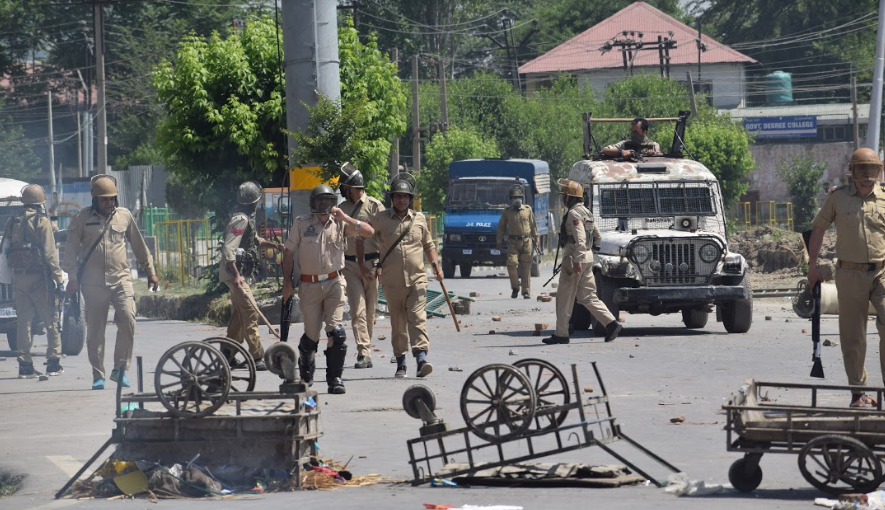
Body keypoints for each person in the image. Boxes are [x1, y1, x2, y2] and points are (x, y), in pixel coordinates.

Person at [63, 175, 158, 390]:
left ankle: (120, 370)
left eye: (112, 198)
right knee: (96, 332)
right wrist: (72, 278)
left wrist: (150, 271)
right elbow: (70, 251)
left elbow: (139, 246)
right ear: (95, 199)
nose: (109, 202)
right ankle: (98, 374)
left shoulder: (124, 216)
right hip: (92, 284)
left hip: (121, 280)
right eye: (105, 199)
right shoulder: (81, 219)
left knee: (128, 320)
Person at [807, 147, 885, 408]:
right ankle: (857, 393)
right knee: (853, 336)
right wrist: (812, 266)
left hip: (883, 272)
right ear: (852, 172)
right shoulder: (837, 198)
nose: (866, 173)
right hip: (849, 274)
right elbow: (818, 229)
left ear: (879, 171)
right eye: (861, 168)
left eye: (871, 168)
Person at [282, 184, 374, 394]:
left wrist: (347, 218)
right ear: (313, 203)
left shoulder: (340, 223)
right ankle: (306, 370)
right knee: (311, 336)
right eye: (320, 201)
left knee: (337, 332)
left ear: (334, 203)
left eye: (328, 201)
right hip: (309, 285)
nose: (324, 205)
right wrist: (287, 283)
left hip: (334, 283)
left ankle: (335, 379)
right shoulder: (301, 223)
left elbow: (369, 232)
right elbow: (288, 252)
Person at [370, 174, 441, 378]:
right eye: (398, 196)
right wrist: (368, 262)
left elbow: (429, 245)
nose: (401, 200)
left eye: (405, 196)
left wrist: (436, 265)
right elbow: (365, 238)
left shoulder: (419, 220)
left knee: (418, 318)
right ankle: (401, 363)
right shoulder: (381, 220)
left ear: (410, 199)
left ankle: (421, 359)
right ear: (392, 198)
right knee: (398, 324)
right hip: (392, 283)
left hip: (417, 279)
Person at [543, 179, 622, 345]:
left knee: (564, 297)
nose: (563, 200)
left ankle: (561, 333)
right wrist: (588, 254)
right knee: (588, 296)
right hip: (586, 257)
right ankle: (611, 323)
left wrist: (578, 259)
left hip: (574, 258)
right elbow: (598, 237)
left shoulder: (573, 214)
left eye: (564, 196)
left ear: (570, 198)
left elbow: (579, 238)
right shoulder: (587, 212)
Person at [219, 181, 283, 371]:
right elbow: (228, 250)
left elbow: (255, 240)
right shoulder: (241, 220)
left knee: (239, 317)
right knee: (251, 311)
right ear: (252, 202)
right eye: (257, 201)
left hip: (236, 274)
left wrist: (275, 246)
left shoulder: (246, 218)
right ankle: (257, 356)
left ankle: (227, 355)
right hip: (234, 275)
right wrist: (237, 275)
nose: (258, 204)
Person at [3, 184, 65, 378]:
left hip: (19, 279)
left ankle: (25, 366)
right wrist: (59, 279)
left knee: (24, 323)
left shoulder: (13, 221)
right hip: (40, 280)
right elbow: (50, 253)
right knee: (51, 321)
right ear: (40, 202)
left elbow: (5, 250)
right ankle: (53, 363)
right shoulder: (42, 221)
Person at [337, 162, 385, 369]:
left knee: (370, 311)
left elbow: (384, 237)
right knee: (357, 309)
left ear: (353, 187)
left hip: (373, 263)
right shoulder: (341, 209)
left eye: (346, 187)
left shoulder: (375, 206)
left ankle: (366, 348)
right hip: (349, 265)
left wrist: (382, 264)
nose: (343, 190)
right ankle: (363, 352)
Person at [496, 183, 539, 299]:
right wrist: (498, 240)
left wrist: (536, 238)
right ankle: (515, 288)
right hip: (513, 242)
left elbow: (533, 225)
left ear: (522, 198)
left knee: (526, 266)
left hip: (526, 241)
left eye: (518, 197)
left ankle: (526, 291)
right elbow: (501, 227)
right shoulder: (507, 212)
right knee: (511, 264)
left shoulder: (528, 210)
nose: (517, 199)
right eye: (514, 198)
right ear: (511, 199)